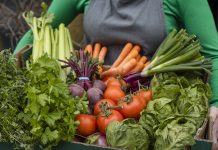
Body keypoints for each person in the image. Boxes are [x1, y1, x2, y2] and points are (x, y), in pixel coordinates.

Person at [14, 0, 218, 149]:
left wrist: (216, 103)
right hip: (91, 94)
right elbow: (39, 29)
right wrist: (8, 68)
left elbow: (212, 54)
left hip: (151, 101)